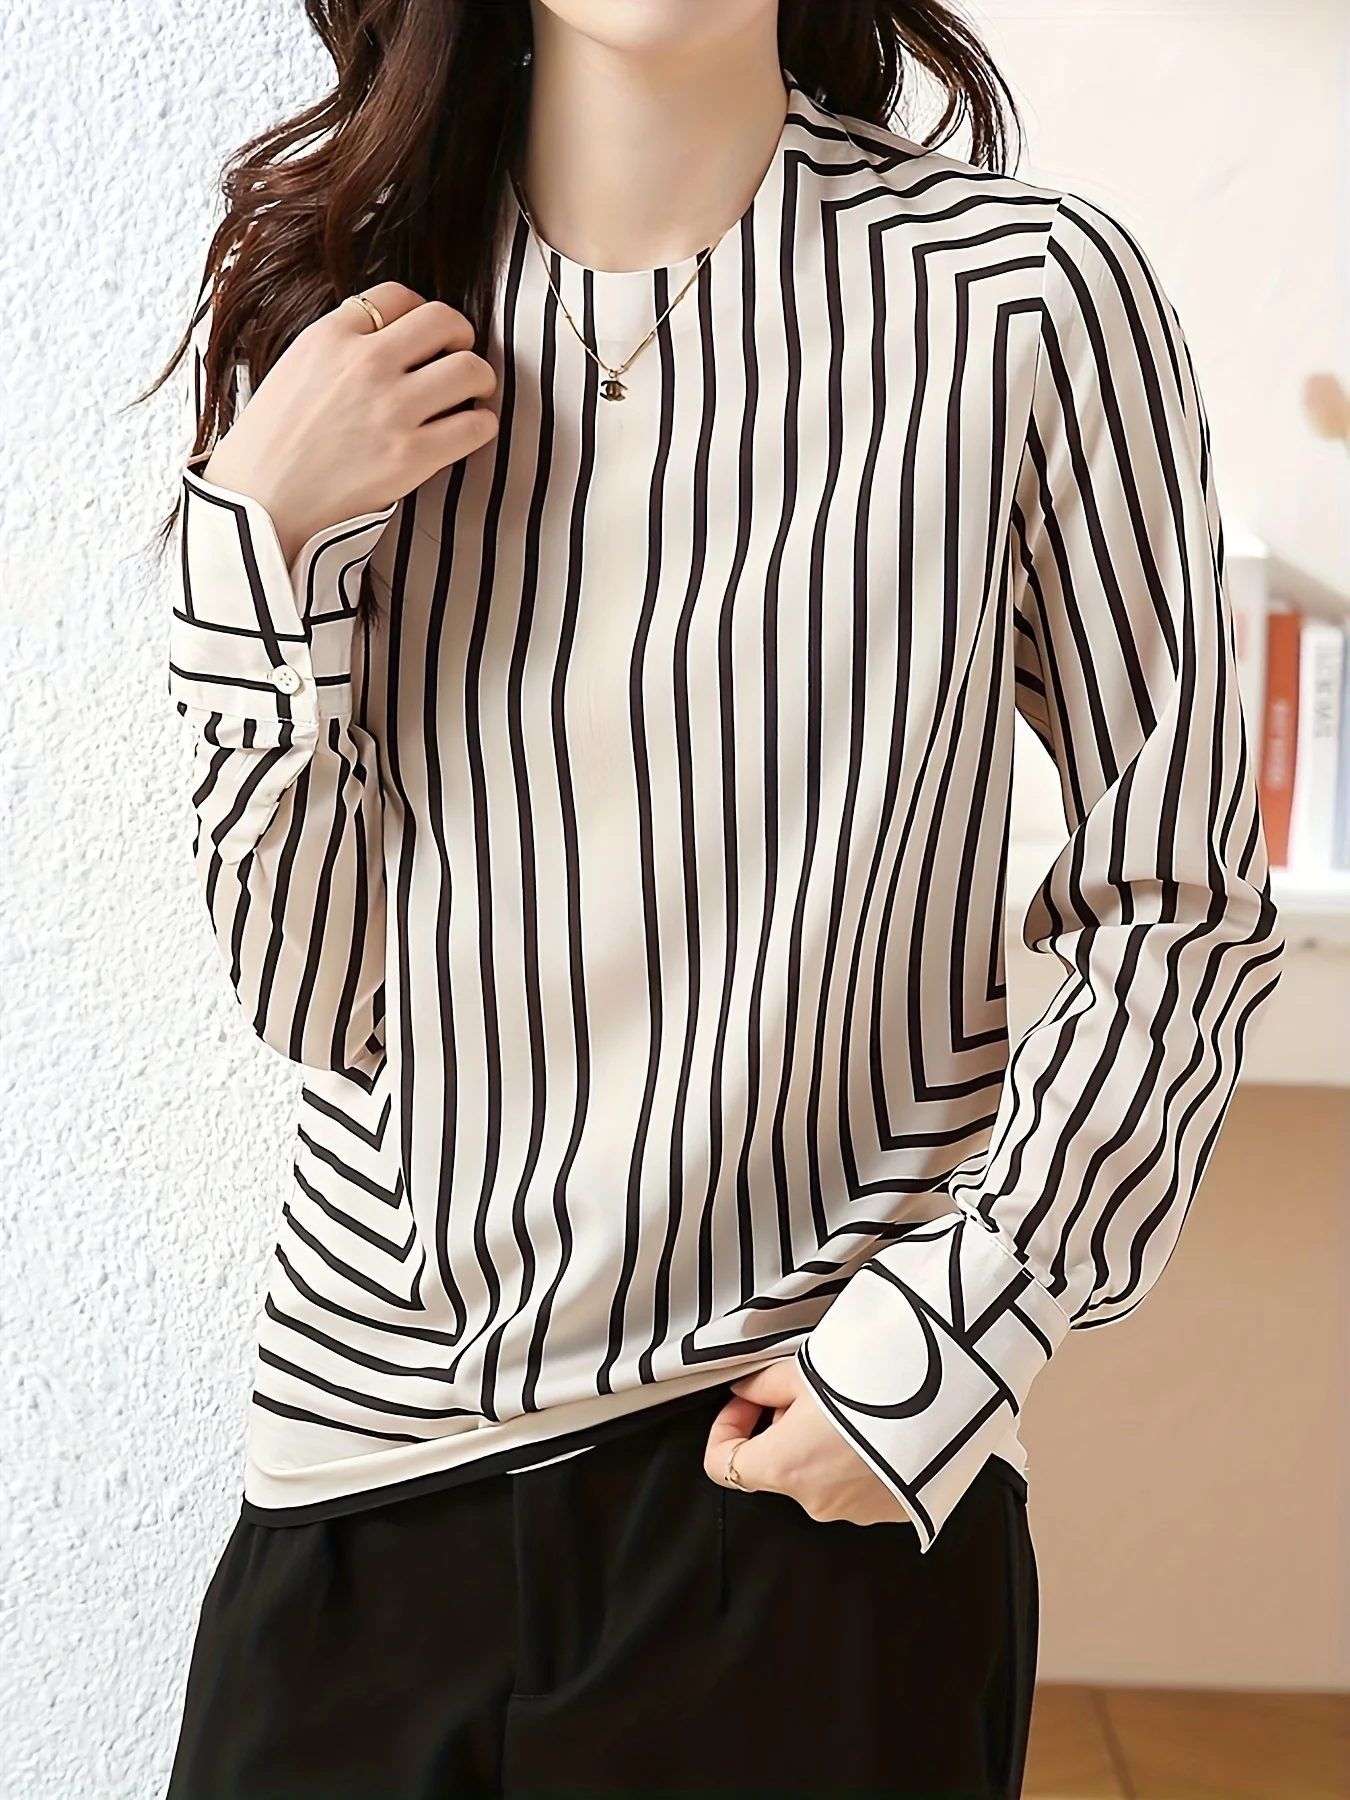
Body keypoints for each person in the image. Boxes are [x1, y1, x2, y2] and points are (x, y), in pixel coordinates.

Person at [146, 1, 1285, 1794]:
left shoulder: (1023, 301)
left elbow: (1181, 896)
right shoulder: (348, 317)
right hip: (365, 1486)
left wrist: (952, 1336)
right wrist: (250, 542)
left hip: (800, 1463)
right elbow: (315, 997)